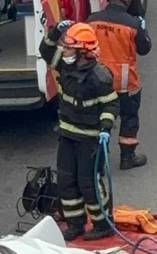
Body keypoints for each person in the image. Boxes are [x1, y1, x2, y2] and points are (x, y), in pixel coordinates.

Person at [40, 21, 119, 241]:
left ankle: (102, 223)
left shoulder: (99, 76)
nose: (63, 50)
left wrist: (105, 127)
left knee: (89, 182)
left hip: (90, 139)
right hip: (67, 133)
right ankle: (75, 224)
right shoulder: (65, 65)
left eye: (68, 47)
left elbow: (111, 105)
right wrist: (56, 31)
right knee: (66, 180)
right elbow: (45, 50)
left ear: (82, 51)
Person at [89, 0, 153, 171]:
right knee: (129, 119)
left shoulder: (92, 20)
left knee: (100, 121)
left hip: (98, 82)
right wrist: (142, 28)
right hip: (125, 82)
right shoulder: (133, 24)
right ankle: (127, 157)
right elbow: (145, 49)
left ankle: (98, 162)